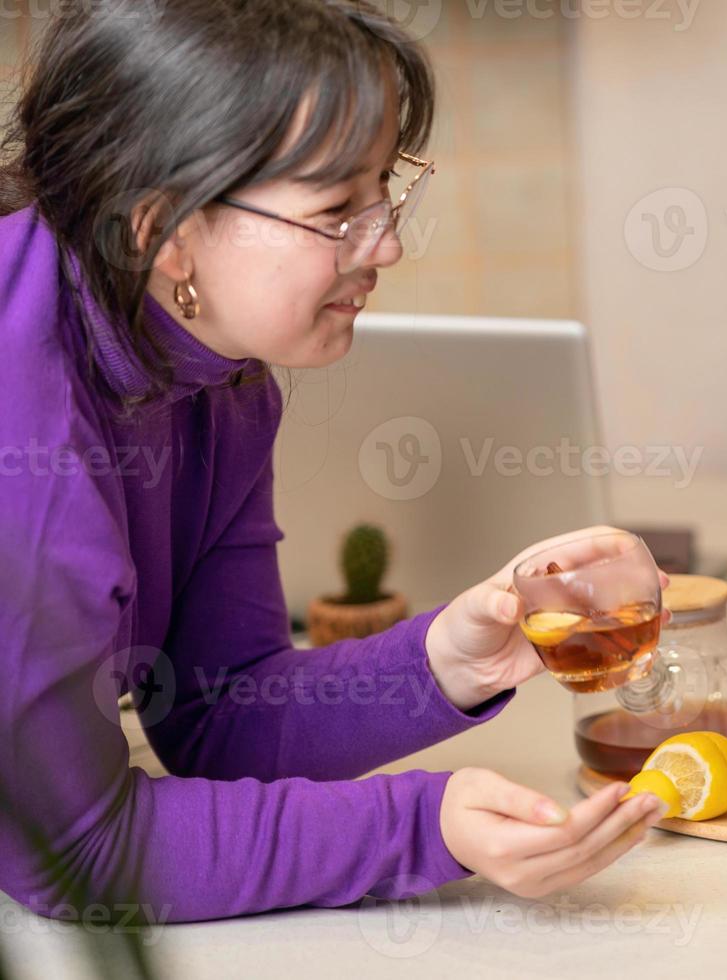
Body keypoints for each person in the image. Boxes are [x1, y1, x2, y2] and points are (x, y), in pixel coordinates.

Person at [0, 0, 667, 923]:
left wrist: (447, 660)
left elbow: (216, 713)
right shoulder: (24, 434)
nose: (387, 244)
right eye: (334, 211)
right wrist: (422, 826)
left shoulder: (221, 384)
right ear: (161, 229)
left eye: (384, 191)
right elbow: (73, 851)